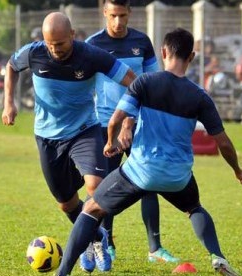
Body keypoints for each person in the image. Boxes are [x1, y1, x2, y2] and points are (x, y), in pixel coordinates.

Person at [55, 27, 242, 276]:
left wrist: (110, 142)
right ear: (191, 57)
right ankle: (217, 256)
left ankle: (63, 272)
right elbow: (223, 142)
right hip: (178, 176)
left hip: (141, 171)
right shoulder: (200, 97)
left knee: (91, 209)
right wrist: (237, 170)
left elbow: (116, 119)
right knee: (195, 209)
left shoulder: (145, 82)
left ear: (163, 52)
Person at [1, 12, 136, 272]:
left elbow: (131, 79)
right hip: (47, 137)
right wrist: (9, 102)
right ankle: (94, 237)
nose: (55, 50)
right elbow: (11, 65)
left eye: (61, 44)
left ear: (72, 36)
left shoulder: (91, 56)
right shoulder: (34, 53)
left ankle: (90, 239)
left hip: (83, 131)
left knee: (95, 187)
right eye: (50, 44)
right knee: (66, 203)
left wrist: (131, 115)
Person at [84, 0, 178, 269]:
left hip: (138, 125)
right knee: (105, 187)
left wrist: (131, 120)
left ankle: (155, 248)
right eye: (113, 15)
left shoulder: (142, 42)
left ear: (130, 13)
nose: (118, 22)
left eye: (122, 15)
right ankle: (107, 244)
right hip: (103, 126)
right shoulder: (92, 44)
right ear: (104, 13)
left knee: (148, 183)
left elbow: (152, 85)